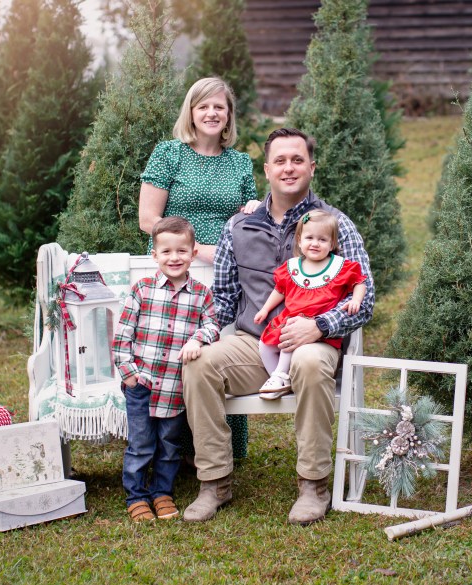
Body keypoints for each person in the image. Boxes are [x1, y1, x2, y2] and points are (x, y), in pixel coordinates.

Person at [182, 128, 375, 525]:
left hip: (314, 342)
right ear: (267, 169)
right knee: (200, 365)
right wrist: (202, 335)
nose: (289, 168)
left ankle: (313, 485)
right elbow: (224, 298)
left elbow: (365, 296)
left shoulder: (335, 225)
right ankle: (215, 481)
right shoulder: (239, 227)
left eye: (297, 160)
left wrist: (320, 326)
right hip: (257, 343)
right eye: (280, 161)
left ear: (312, 168)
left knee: (308, 361)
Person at [138, 77, 258, 461]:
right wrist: (196, 251)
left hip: (225, 273)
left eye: (219, 107)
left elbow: (248, 221)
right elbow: (148, 218)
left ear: (229, 115)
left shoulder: (240, 162)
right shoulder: (169, 154)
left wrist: (252, 213)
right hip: (177, 267)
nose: (211, 113)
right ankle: (168, 449)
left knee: (219, 348)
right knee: (176, 350)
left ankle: (220, 448)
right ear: (190, 112)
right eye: (203, 106)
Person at [112, 217, 220, 522]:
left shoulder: (201, 294)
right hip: (142, 385)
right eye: (167, 251)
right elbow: (122, 336)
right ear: (155, 255)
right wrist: (129, 375)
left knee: (170, 445)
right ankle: (136, 496)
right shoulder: (142, 290)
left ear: (193, 253)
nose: (174, 258)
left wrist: (198, 338)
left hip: (175, 386)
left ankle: (162, 493)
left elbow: (213, 326)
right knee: (141, 444)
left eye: (181, 251)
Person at [254, 210, 367, 399]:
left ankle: (280, 375)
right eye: (309, 238)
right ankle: (281, 379)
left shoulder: (339, 267)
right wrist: (265, 309)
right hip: (290, 320)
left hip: (315, 329)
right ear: (299, 240)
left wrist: (355, 300)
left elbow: (359, 283)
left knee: (289, 342)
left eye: (322, 240)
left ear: (332, 244)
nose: (315, 243)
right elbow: (280, 290)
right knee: (265, 346)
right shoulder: (293, 267)